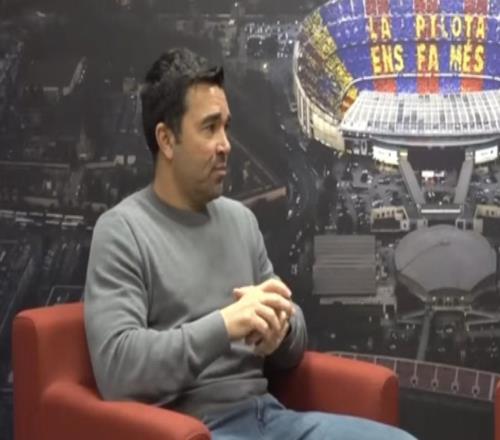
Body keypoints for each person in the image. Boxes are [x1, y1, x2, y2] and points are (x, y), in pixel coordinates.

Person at [84, 48, 417, 440]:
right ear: (167, 140)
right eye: (209, 128)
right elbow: (118, 371)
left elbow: (291, 335)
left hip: (270, 420)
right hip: (192, 430)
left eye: (226, 127)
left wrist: (282, 330)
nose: (226, 144)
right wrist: (225, 325)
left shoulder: (240, 221)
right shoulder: (122, 231)